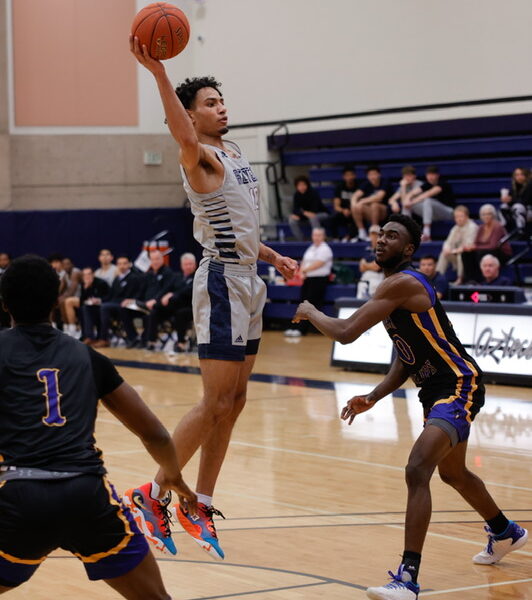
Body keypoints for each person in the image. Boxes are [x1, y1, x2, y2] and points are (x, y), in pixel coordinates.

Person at [292, 215, 527, 600]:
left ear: (409, 249)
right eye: (380, 233)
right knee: (453, 474)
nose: (382, 239)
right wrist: (374, 396)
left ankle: (407, 578)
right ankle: (504, 531)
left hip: (458, 384)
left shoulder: (404, 282)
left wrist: (311, 311)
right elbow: (406, 359)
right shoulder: (392, 288)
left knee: (418, 468)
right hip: (433, 391)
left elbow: (347, 333)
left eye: (393, 236)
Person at [125, 36, 298, 561]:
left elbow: (244, 227)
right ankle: (152, 495)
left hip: (251, 278)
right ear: (191, 117)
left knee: (237, 401)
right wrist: (158, 73)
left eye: (222, 101)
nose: (220, 108)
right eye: (209, 103)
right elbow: (177, 128)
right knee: (215, 401)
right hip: (221, 281)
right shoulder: (195, 155)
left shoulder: (238, 155)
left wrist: (275, 258)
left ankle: (199, 501)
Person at [0, 254, 197, 599]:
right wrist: (173, 475)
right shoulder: (88, 356)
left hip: (20, 496)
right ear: (58, 299)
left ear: (3, 304)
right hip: (87, 495)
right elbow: (154, 433)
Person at [120, 249, 176, 349]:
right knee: (125, 309)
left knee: (151, 313)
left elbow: (166, 290)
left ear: (162, 259)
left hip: (160, 307)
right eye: (153, 259)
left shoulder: (168, 273)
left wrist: (155, 300)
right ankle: (133, 338)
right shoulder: (148, 275)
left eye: (157, 259)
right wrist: (132, 300)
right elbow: (141, 292)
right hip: (144, 305)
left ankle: (146, 340)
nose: (155, 261)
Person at [285, 228, 333, 337]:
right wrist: (301, 272)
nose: (316, 237)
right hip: (308, 280)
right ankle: (296, 327)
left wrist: (305, 270)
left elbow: (319, 263)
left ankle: (302, 330)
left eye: (319, 235)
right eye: (315, 235)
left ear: (323, 236)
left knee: (310, 305)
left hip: (319, 280)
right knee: (302, 303)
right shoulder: (311, 248)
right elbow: (304, 262)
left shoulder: (325, 249)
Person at [91, 255, 141, 349]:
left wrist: (132, 299)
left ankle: (104, 339)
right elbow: (110, 295)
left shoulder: (134, 278)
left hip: (127, 306)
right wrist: (99, 300)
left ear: (129, 264)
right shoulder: (117, 279)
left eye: (124, 263)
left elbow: (138, 294)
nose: (122, 266)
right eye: (119, 264)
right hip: (114, 305)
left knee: (105, 307)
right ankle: (92, 336)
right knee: (94, 306)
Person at [153, 253, 197, 352]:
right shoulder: (177, 276)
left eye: (190, 264)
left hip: (191, 307)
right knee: (155, 310)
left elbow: (188, 291)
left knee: (180, 313)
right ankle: (151, 341)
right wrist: (157, 299)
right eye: (186, 264)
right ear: (181, 265)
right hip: (175, 305)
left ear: (195, 265)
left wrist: (172, 294)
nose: (188, 266)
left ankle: (181, 343)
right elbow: (166, 289)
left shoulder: (197, 277)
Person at [462, 203, 512, 284]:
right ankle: (470, 280)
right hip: (486, 251)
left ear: (493, 215)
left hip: (501, 253)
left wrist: (475, 247)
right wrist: (470, 247)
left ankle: (482, 279)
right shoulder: (481, 227)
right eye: (484, 214)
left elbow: (493, 245)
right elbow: (476, 243)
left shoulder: (497, 226)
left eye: (489, 214)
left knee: (482, 252)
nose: (486, 216)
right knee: (466, 253)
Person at [402, 165, 455, 241]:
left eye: (432, 175)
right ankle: (406, 230)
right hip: (433, 215)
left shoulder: (443, 183)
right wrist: (407, 198)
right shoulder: (427, 184)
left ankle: (426, 232)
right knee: (407, 206)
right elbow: (412, 193)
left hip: (448, 213)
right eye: (428, 175)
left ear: (437, 175)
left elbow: (429, 193)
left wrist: (411, 202)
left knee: (427, 200)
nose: (430, 177)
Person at [436, 205, 478, 284]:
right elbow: (448, 242)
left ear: (467, 216)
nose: (458, 219)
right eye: (456, 217)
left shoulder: (473, 227)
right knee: (444, 254)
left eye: (461, 216)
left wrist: (452, 251)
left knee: (460, 254)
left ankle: (460, 279)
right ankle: (438, 277)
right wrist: (447, 249)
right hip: (456, 252)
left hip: (469, 256)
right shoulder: (455, 228)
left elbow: (467, 245)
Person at [350, 165, 393, 241]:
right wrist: (354, 205)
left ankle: (375, 231)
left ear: (379, 174)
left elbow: (379, 197)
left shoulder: (385, 182)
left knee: (374, 205)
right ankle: (362, 232)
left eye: (374, 174)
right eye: (370, 175)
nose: (372, 177)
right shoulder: (366, 184)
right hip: (371, 212)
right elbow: (355, 196)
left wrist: (362, 201)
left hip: (386, 211)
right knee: (355, 207)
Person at [288, 175, 329, 241]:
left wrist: (302, 212)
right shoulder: (296, 195)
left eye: (303, 185)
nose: (301, 187)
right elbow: (295, 209)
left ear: (307, 185)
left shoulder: (313, 193)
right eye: (299, 185)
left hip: (321, 213)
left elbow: (314, 212)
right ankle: (301, 240)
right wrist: (300, 214)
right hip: (306, 216)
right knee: (292, 220)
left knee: (313, 218)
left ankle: (318, 240)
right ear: (296, 186)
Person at [78, 267, 110, 344]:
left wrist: (99, 300)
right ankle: (89, 337)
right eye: (84, 275)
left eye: (89, 274)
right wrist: (86, 289)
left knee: (87, 309)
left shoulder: (101, 283)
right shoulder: (84, 284)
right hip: (91, 308)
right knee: (83, 308)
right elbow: (81, 301)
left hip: (102, 307)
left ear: (93, 274)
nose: (87, 276)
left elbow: (109, 296)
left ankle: (103, 338)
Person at [325, 166, 358, 240]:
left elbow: (360, 202)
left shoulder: (359, 186)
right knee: (331, 219)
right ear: (344, 177)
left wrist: (351, 210)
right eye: (347, 175)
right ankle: (335, 238)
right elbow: (336, 206)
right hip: (343, 212)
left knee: (358, 217)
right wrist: (343, 210)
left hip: (355, 211)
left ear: (354, 175)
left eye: (351, 175)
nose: (349, 177)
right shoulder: (339, 187)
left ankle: (352, 237)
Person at [500, 167, 532, 235]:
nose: (519, 177)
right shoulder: (514, 186)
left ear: (526, 175)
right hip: (520, 210)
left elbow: (525, 201)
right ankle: (505, 227)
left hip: (529, 210)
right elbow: (511, 200)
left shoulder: (530, 185)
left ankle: (520, 229)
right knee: (503, 206)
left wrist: (511, 200)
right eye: (517, 175)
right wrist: (506, 199)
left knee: (518, 207)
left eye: (521, 174)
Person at [356, 224, 383, 299]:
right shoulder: (367, 249)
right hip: (364, 278)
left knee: (373, 303)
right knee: (359, 301)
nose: (374, 237)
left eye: (376, 235)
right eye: (372, 234)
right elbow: (361, 268)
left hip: (377, 279)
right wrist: (370, 265)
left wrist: (366, 265)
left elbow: (376, 267)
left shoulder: (383, 249)